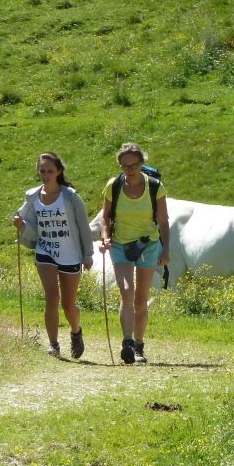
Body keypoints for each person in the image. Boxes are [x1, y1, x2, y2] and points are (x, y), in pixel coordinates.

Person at [12, 152, 94, 358]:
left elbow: (83, 226)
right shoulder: (33, 196)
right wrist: (20, 224)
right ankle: (53, 344)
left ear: (59, 171)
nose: (45, 175)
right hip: (45, 250)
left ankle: (76, 331)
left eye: (50, 171)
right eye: (42, 171)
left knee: (68, 305)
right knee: (51, 298)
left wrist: (88, 255)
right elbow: (26, 220)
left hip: (70, 253)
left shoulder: (70, 196)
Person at [98, 142, 170, 364]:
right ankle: (127, 342)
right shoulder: (114, 185)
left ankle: (139, 345)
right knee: (126, 291)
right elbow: (105, 216)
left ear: (142, 163)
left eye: (134, 165)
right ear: (120, 165)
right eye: (125, 165)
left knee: (141, 299)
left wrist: (166, 249)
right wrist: (105, 236)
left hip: (148, 244)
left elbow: (163, 221)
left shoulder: (156, 187)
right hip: (120, 244)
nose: (129, 169)